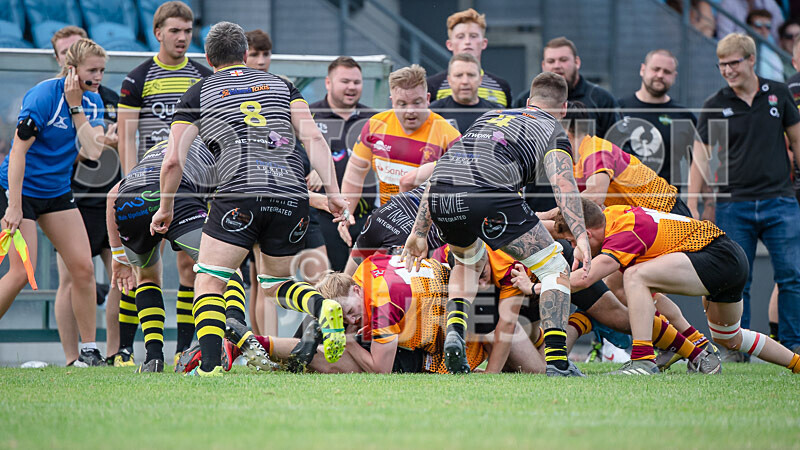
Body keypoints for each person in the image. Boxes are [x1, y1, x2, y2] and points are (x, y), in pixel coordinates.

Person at [151, 21, 349, 377]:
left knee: (210, 278)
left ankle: (210, 366)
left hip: (239, 191)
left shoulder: (198, 92)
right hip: (290, 194)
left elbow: (173, 160)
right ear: (245, 54)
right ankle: (320, 306)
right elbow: (315, 140)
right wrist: (334, 195)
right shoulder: (283, 85)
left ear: (210, 60)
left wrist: (165, 208)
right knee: (274, 284)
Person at [402, 72, 591, 377]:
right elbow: (563, 184)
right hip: (489, 196)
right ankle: (558, 363)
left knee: (468, 261)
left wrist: (419, 231)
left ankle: (455, 331)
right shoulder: (553, 128)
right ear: (564, 108)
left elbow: (445, 168)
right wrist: (580, 234)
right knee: (555, 267)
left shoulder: (491, 115)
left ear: (528, 102)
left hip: (441, 194)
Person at [557, 198, 800, 375]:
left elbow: (586, 279)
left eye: (572, 241)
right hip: (728, 259)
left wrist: (538, 288)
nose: (573, 247)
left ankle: (643, 361)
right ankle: (796, 364)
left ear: (586, 234)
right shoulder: (612, 214)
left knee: (634, 276)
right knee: (730, 338)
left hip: (718, 255)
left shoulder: (622, 233)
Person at [689, 33, 800, 357]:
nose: (727, 70)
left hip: (780, 200)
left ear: (751, 59)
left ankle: (792, 344)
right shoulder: (715, 104)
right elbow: (700, 157)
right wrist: (694, 203)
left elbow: (797, 142)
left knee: (792, 276)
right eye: (722, 64)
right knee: (738, 278)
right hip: (733, 203)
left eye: (733, 63)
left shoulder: (778, 94)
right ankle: (737, 347)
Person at [0, 38, 107, 366]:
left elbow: (93, 153)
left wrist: (77, 109)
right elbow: (18, 152)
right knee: (20, 272)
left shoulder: (91, 103)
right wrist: (14, 206)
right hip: (18, 189)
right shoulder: (43, 95)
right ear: (72, 70)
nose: (99, 76)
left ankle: (88, 352)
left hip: (56, 193)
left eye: (102, 70)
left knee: (83, 268)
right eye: (93, 70)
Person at [117, 1, 213, 362]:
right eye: (175, 31)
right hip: (147, 181)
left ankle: (182, 350)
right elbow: (126, 135)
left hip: (191, 181)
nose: (182, 38)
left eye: (188, 31)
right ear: (157, 33)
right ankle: (140, 351)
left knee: (191, 264)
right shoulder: (138, 76)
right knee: (147, 266)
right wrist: (129, 177)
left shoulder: (202, 76)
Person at [49, 25, 126, 366]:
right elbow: (56, 153)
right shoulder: (49, 99)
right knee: (70, 279)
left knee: (120, 275)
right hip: (69, 198)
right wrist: (92, 145)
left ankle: (115, 353)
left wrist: (115, 141)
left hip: (108, 196)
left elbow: (124, 142)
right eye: (65, 53)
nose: (93, 73)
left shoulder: (107, 98)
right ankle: (72, 358)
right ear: (62, 60)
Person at [107, 138, 216, 372]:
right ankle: (219, 351)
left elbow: (112, 195)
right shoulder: (217, 150)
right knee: (221, 266)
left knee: (146, 278)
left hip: (130, 202)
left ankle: (153, 358)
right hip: (174, 198)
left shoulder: (163, 146)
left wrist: (118, 256)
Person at [340, 64, 460, 215]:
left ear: (428, 99)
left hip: (430, 225)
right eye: (402, 104)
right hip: (388, 219)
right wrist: (347, 213)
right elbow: (355, 173)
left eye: (417, 102)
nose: (410, 110)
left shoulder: (449, 135)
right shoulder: (375, 125)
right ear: (392, 102)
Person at [309, 57, 377, 272]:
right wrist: (315, 167)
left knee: (366, 281)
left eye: (356, 82)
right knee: (330, 282)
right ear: (328, 83)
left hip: (366, 215)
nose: (351, 87)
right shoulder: (309, 116)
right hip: (323, 216)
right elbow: (290, 156)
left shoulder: (374, 119)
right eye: (345, 81)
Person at [613, 49, 698, 188]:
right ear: (642, 69)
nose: (660, 75)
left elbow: (700, 165)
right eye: (656, 69)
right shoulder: (618, 109)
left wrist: (707, 204)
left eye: (667, 72)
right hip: (623, 203)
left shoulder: (683, 117)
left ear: (674, 76)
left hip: (667, 204)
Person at [426, 8, 512, 108]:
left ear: (484, 43)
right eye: (460, 36)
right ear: (449, 44)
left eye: (473, 36)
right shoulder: (433, 85)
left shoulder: (501, 86)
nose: (467, 41)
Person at [541, 37, 621, 139]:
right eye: (551, 61)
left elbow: (620, 147)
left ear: (577, 62)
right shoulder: (528, 102)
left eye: (563, 60)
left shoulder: (602, 100)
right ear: (543, 65)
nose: (557, 66)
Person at [430, 53, 501, 134]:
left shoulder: (495, 114)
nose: (465, 81)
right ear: (449, 80)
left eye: (471, 75)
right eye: (459, 75)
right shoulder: (433, 112)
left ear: (480, 79)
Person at [746, 9, 785, 81]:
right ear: (748, 27)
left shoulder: (772, 56)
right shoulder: (735, 48)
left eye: (768, 26)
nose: (763, 30)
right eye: (758, 25)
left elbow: (778, 83)